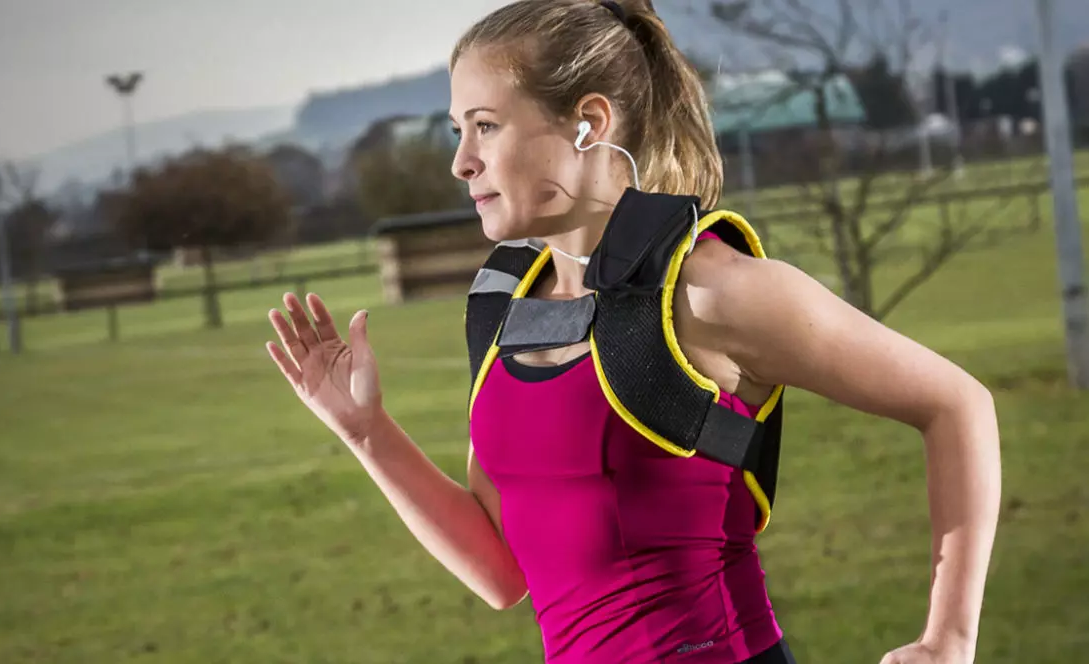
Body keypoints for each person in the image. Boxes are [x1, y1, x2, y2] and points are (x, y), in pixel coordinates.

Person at [265, 1, 1002, 662]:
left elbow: (956, 404)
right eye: (458, 131)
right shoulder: (503, 310)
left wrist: (948, 640)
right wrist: (366, 431)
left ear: (589, 121)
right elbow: (503, 573)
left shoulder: (710, 293)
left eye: (486, 126)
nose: (462, 162)